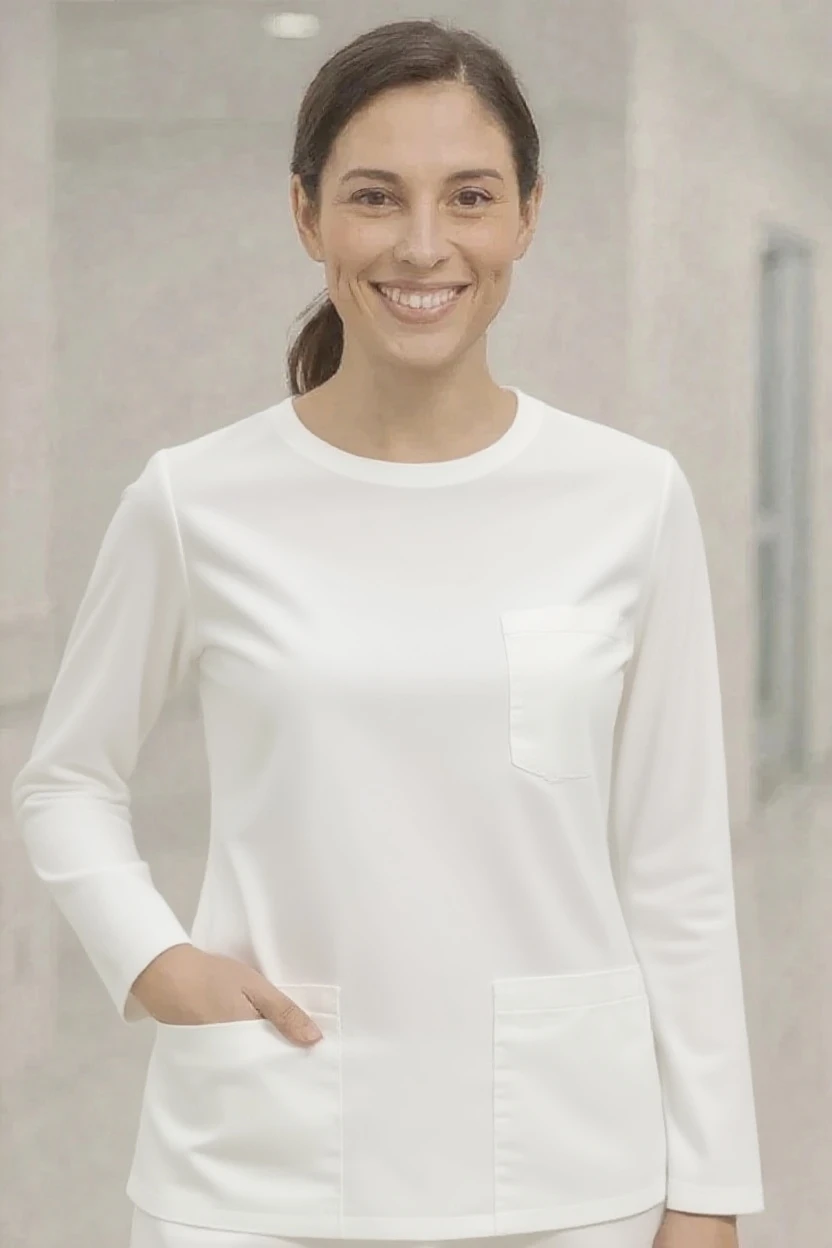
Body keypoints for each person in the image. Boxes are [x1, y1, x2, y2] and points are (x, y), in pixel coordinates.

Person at [10, 17, 764, 1248]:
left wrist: (710, 1187)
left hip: (567, 1173)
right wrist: (154, 959)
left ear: (527, 213)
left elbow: (675, 874)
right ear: (307, 217)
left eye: (469, 196)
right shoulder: (196, 500)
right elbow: (66, 781)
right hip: (259, 1167)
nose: (424, 245)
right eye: (375, 197)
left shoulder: (630, 496)